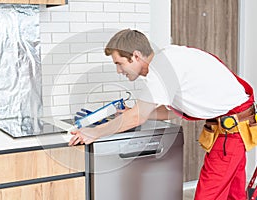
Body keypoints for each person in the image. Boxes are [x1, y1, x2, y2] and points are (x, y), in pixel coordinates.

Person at [68, 29, 257, 200]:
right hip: (234, 128)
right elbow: (172, 112)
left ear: (135, 56)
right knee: (234, 194)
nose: (119, 71)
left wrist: (93, 132)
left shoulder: (161, 69)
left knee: (207, 195)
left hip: (231, 132)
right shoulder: (168, 59)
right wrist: (134, 113)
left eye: (119, 63)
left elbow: (137, 117)